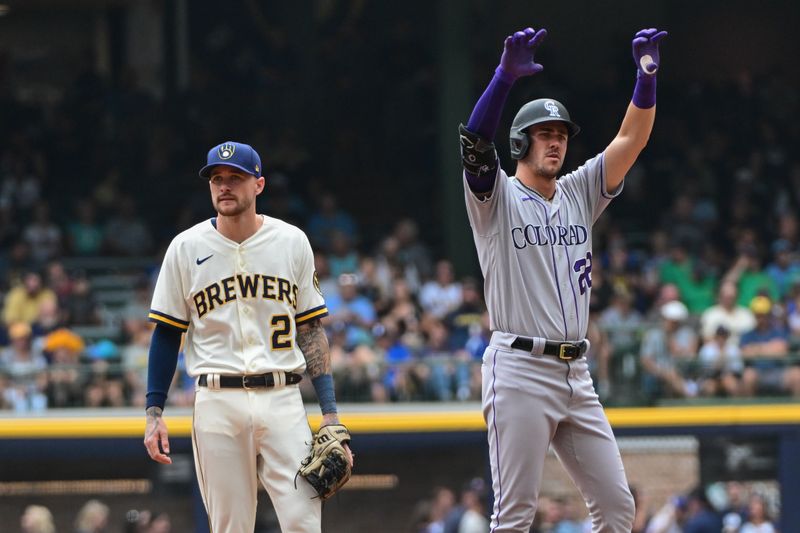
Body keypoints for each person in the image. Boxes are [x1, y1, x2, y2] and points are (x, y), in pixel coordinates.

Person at [459, 25, 666, 531]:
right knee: (514, 516)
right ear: (520, 142)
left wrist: (646, 80)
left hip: (577, 373)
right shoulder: (496, 199)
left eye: (561, 136)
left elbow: (631, 139)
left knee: (617, 509)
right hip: (520, 369)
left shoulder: (578, 192)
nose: (555, 143)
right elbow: (474, 144)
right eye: (544, 135)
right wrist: (503, 79)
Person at [143, 141, 352, 532]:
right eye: (217, 179)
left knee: (304, 523)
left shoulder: (291, 241)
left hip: (283, 398)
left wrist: (330, 415)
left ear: (258, 185)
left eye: (235, 178)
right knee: (230, 527)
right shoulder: (185, 248)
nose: (224, 186)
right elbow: (167, 333)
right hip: (217, 401)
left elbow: (310, 329)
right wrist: (154, 412)